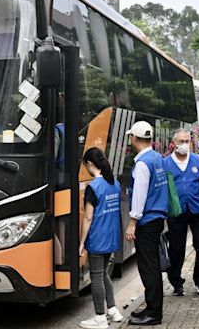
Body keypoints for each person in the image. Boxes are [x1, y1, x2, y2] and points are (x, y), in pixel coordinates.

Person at [125, 121, 168, 326]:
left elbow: (140, 195)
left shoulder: (142, 163)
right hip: (157, 218)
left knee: (148, 267)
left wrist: (132, 221)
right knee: (151, 266)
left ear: (134, 138)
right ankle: (152, 306)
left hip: (147, 220)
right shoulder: (157, 157)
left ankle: (153, 312)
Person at [78, 147, 124, 329]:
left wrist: (81, 242)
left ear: (89, 164)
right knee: (103, 272)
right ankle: (113, 310)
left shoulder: (93, 187)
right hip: (112, 237)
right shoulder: (115, 184)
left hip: (98, 238)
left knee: (96, 276)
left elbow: (88, 218)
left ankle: (99, 317)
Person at [162, 129, 199, 297]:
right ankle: (176, 282)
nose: (184, 144)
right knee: (176, 248)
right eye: (181, 141)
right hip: (176, 211)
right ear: (173, 143)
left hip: (198, 209)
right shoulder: (166, 163)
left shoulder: (198, 160)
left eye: (187, 141)